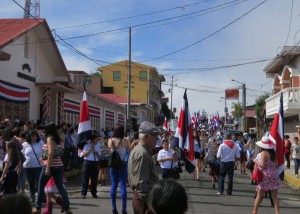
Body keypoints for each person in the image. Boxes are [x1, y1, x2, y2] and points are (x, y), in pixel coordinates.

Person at [33, 122, 72, 214]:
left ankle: (38, 207)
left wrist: (48, 167)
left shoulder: (50, 138)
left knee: (41, 185)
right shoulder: (57, 138)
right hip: (59, 165)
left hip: (50, 166)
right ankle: (67, 208)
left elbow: (50, 152)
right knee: (61, 187)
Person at [128, 121, 160, 214]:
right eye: (154, 136)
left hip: (143, 200)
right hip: (144, 201)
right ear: (146, 137)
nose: (157, 138)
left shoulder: (141, 151)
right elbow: (140, 182)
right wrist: (149, 205)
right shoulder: (143, 154)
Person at [108, 124, 133, 214]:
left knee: (114, 186)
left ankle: (114, 207)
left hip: (113, 166)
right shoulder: (125, 140)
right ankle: (124, 208)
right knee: (123, 187)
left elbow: (110, 152)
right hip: (123, 165)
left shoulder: (110, 141)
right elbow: (130, 152)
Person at [252, 136, 280, 214]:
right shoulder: (274, 153)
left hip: (265, 175)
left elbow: (263, 166)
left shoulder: (263, 153)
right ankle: (277, 212)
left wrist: (256, 161)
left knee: (260, 195)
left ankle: (255, 211)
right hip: (274, 174)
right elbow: (276, 164)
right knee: (274, 197)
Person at [22, 130, 44, 203]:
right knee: (31, 183)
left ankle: (42, 197)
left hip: (38, 166)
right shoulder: (25, 144)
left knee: (39, 183)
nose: (34, 137)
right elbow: (22, 154)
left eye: (35, 136)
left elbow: (45, 152)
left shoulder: (40, 143)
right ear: (29, 136)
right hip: (28, 167)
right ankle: (32, 197)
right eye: (32, 136)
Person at [81, 132, 101, 199]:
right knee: (85, 178)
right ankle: (83, 193)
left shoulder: (97, 147)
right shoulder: (86, 146)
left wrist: (95, 152)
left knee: (94, 179)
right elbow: (83, 155)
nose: (97, 141)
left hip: (95, 163)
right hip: (87, 163)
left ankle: (94, 192)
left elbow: (100, 157)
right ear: (92, 140)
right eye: (96, 139)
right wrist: (90, 149)